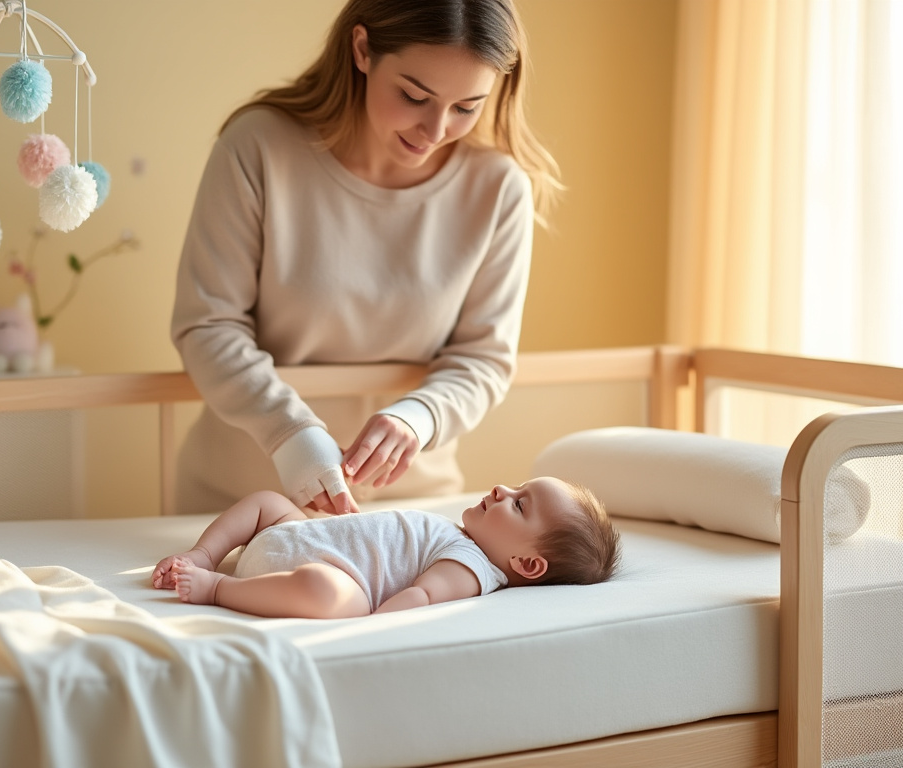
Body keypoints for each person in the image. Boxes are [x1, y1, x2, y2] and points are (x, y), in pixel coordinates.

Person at [170, 0, 561, 516]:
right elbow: (208, 324)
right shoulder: (258, 147)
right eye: (414, 96)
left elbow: (483, 359)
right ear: (362, 50)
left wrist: (418, 419)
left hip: (412, 510)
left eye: (467, 107)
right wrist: (289, 434)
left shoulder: (497, 189)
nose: (435, 129)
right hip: (239, 501)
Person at [150, 477, 619, 618]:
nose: (500, 488)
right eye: (515, 487)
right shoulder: (463, 538)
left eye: (519, 505)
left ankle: (217, 587)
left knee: (328, 594)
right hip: (298, 539)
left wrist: (375, 621)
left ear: (527, 564)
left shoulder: (474, 567)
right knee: (267, 501)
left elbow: (421, 597)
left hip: (328, 574)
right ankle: (205, 552)